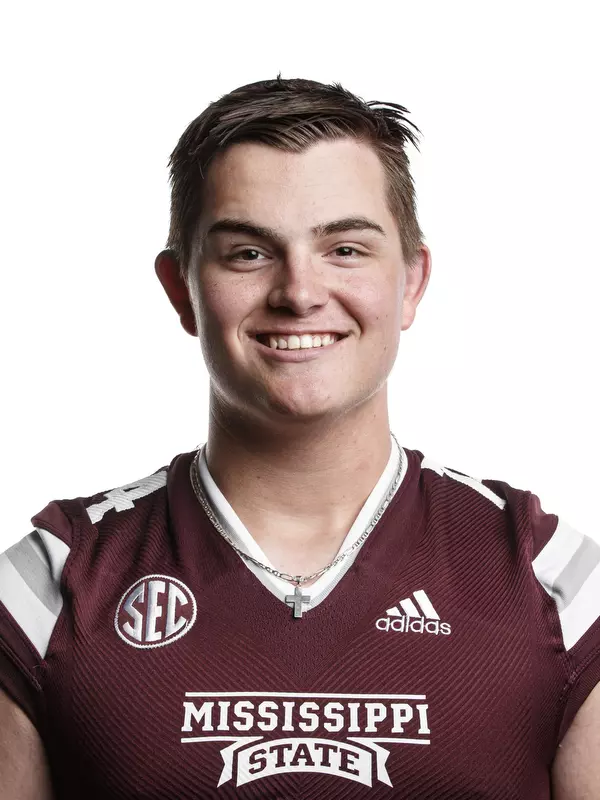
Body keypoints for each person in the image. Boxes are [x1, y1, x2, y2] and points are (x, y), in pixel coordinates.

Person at [0, 75, 598, 799]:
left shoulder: (554, 583)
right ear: (180, 289)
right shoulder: (49, 587)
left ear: (411, 282)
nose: (300, 292)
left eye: (345, 248)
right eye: (249, 253)